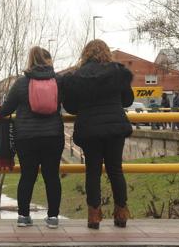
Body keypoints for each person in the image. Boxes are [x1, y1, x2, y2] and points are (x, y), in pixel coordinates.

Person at [62, 39, 133, 230]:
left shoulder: (77, 76)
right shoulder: (118, 73)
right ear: (107, 52)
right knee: (115, 170)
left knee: (92, 172)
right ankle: (121, 214)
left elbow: (70, 106)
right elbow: (127, 100)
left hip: (89, 129)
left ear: (85, 54)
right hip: (114, 128)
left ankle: (94, 216)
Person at [0, 46, 64, 229]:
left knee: (27, 176)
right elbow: (69, 104)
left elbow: (6, 109)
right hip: (53, 135)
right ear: (48, 60)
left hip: (26, 137)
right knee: (52, 176)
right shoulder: (58, 81)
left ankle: (24, 217)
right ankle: (53, 217)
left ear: (30, 61)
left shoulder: (21, 83)